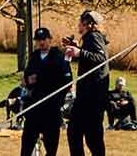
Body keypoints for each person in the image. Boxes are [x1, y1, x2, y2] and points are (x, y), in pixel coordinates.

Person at [21, 27, 73, 156]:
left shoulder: (58, 57)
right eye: (38, 40)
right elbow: (26, 78)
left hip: (51, 108)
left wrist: (41, 80)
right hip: (34, 107)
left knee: (51, 146)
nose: (41, 42)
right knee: (27, 144)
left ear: (49, 39)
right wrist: (28, 81)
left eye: (44, 39)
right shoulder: (34, 57)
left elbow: (67, 81)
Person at [65, 10, 110, 156]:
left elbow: (100, 58)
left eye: (81, 22)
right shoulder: (90, 38)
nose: (78, 25)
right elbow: (91, 57)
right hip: (88, 96)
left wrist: (79, 53)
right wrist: (78, 48)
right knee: (78, 132)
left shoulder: (94, 36)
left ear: (88, 24)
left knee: (88, 136)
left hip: (92, 97)